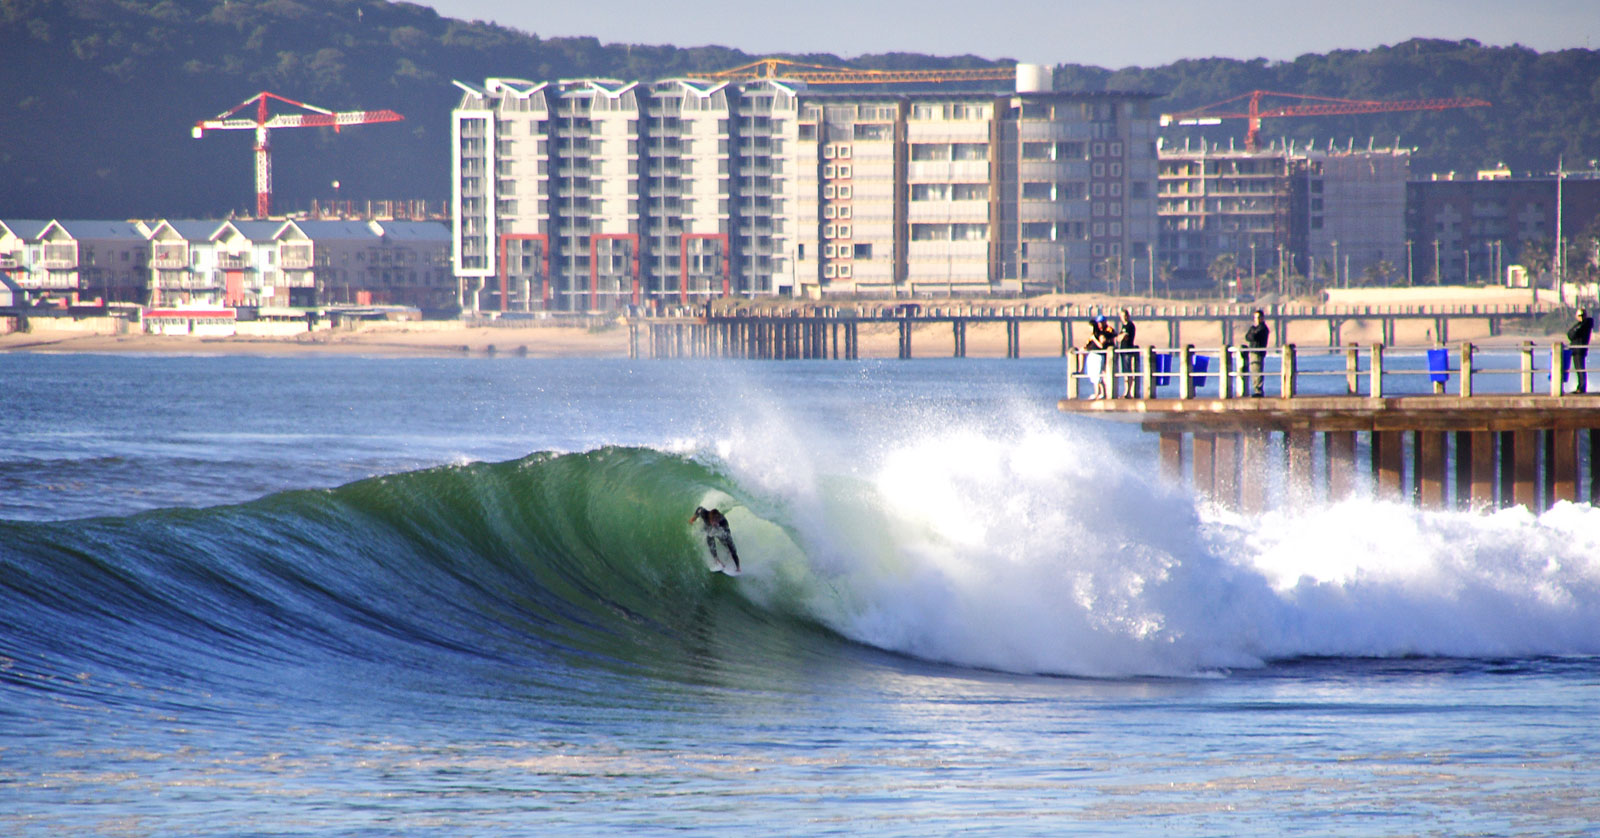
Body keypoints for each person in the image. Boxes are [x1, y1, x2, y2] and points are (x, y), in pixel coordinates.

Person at [689, 506, 740, 572]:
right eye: (713, 521)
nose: (714, 523)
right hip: (708, 527)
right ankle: (717, 560)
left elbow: (729, 540)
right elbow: (699, 509)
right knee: (709, 537)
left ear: (718, 519)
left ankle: (735, 563)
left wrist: (738, 568)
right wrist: (693, 518)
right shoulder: (704, 513)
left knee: (729, 545)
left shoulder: (723, 522)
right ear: (710, 519)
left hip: (720, 530)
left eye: (716, 521)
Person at [1243, 309, 1270, 398]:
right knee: (1254, 371)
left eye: (1259, 317)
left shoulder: (1263, 328)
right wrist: (1252, 332)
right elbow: (1247, 337)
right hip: (1252, 352)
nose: (1257, 320)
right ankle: (1256, 389)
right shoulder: (1254, 328)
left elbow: (1254, 336)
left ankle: (1258, 390)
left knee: (1257, 371)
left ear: (1262, 318)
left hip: (1258, 352)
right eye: (1255, 318)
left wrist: (1253, 333)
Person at [1569, 307, 1593, 394]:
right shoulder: (1580, 324)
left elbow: (1573, 334)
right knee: (1578, 369)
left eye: (1582, 315)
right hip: (1576, 349)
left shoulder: (1585, 323)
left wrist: (1573, 332)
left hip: (1579, 349)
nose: (1580, 317)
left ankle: (1582, 387)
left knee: (1580, 368)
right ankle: (1580, 386)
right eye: (1579, 315)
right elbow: (1570, 334)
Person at [1116, 308, 1138, 398]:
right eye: (1121, 316)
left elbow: (1123, 337)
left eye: (1125, 316)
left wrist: (1121, 336)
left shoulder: (1130, 326)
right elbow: (1118, 339)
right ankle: (1126, 392)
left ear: (1128, 316)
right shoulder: (1123, 326)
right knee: (1125, 372)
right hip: (1122, 351)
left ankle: (1128, 392)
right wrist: (1120, 336)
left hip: (1128, 350)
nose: (1123, 318)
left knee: (1128, 371)